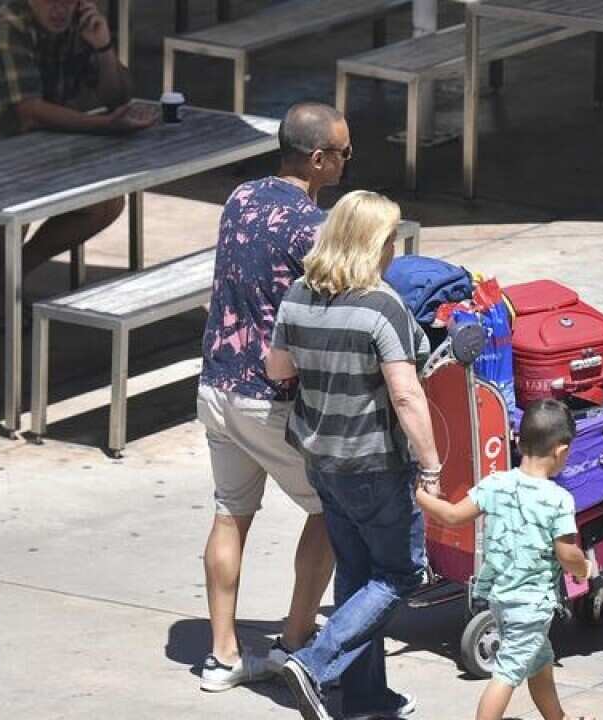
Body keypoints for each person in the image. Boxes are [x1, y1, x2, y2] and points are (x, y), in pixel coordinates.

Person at [195, 102, 350, 692]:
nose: (346, 162)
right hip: (270, 399)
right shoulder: (315, 228)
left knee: (229, 512)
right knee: (331, 510)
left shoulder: (240, 197)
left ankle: (221, 653)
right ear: (317, 158)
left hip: (216, 386)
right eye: (343, 153)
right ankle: (295, 642)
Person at [266, 190, 438, 720]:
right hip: (374, 464)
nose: (393, 250)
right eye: (389, 240)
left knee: (358, 576)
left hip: (322, 460)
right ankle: (316, 663)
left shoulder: (297, 294)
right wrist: (431, 465)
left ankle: (366, 701)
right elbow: (406, 394)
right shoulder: (382, 306)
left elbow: (277, 370)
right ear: (373, 244)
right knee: (401, 575)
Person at [0, 0, 158, 328]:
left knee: (106, 202)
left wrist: (103, 47)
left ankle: (12, 273)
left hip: (26, 146)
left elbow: (118, 96)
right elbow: (30, 111)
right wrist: (103, 126)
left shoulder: (78, 25)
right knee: (22, 201)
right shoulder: (6, 29)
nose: (58, 9)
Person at [414, 399, 593, 720]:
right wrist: (584, 568)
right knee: (508, 673)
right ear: (561, 451)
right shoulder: (558, 500)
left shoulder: (497, 484)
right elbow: (567, 554)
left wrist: (419, 496)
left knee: (539, 660)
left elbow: (453, 515)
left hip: (501, 596)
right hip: (530, 603)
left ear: (518, 441)